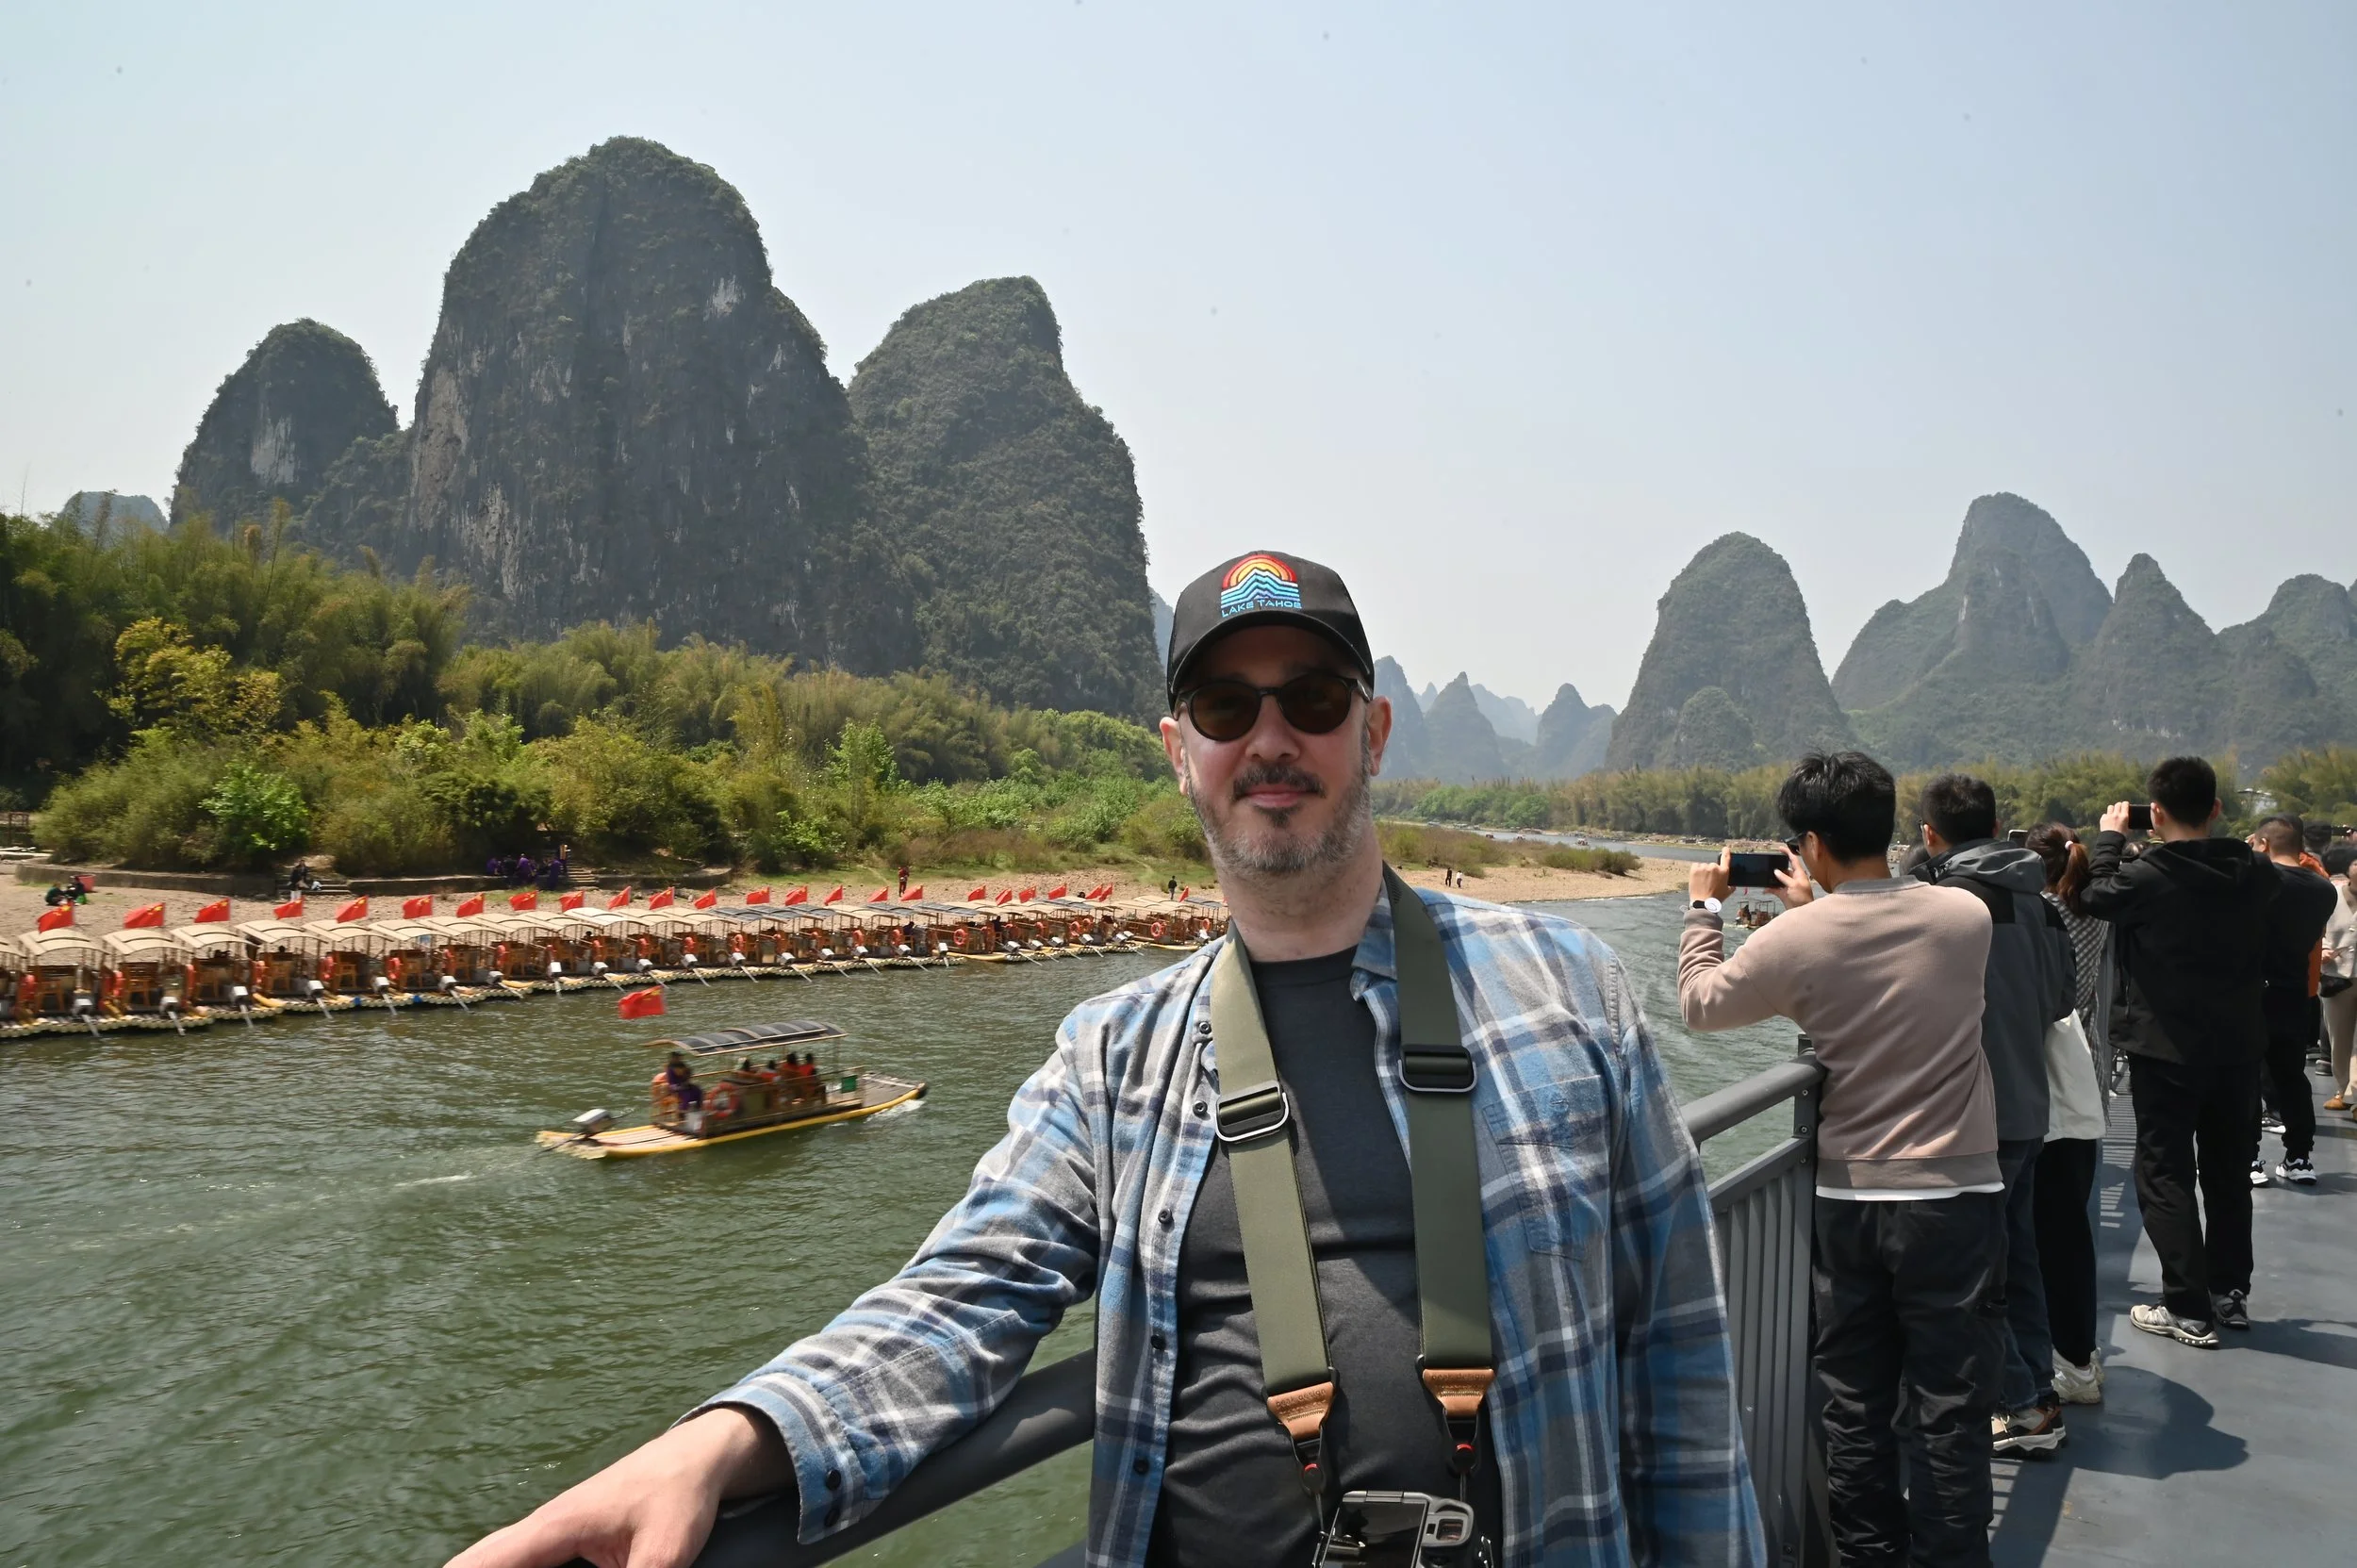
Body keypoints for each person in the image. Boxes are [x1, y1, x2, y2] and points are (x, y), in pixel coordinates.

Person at [445, 548, 1763, 1568]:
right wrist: (724, 1440)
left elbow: (1685, 1365)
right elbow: (964, 1295)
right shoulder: (1113, 1054)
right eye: (1221, 701)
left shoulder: (1568, 990)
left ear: (1372, 731)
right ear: (1178, 748)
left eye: (1311, 697)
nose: (1269, 737)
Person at [1681, 750, 2003, 1568]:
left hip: (1851, 1200)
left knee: (1854, 1403)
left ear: (1811, 843)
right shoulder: (1968, 917)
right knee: (1950, 1404)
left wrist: (1700, 909)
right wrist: (1821, 894)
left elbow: (1701, 1006)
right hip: (1959, 1195)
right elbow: (1889, 941)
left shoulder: (1796, 939)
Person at [2082, 757, 2281, 1345]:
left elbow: (2094, 895)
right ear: (2217, 809)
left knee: (2164, 1171)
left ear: (2156, 814)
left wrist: (2110, 838)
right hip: (2239, 1047)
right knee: (2226, 1173)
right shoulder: (2258, 874)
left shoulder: (2147, 878)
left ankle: (2186, 1306)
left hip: (2164, 1049)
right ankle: (2229, 1291)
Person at [1914, 775, 2075, 1455]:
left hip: (1971, 1114)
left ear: (1930, 835)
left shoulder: (1948, 905)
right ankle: (2037, 1386)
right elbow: (2064, 998)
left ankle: (2022, 1403)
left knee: (1976, 1269)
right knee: (2021, 1258)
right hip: (2028, 1107)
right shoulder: (2040, 903)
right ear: (1998, 822)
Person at [2024, 825, 2112, 1407]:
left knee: (2028, 1231)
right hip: (2084, 1075)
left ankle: (2034, 1369)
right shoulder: (2095, 912)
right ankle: (2077, 1357)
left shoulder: (2037, 915)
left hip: (2037, 1083)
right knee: (2070, 1229)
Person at [2248, 816, 2335, 1185]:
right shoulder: (2323, 890)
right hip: (2295, 993)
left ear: (2264, 845)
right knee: (2291, 1077)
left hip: (2249, 992)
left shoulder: (2255, 882)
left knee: (2246, 1076)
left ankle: (2248, 1159)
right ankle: (2299, 1157)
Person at [2321, 844, 2357, 1114]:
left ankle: (2354, 1094)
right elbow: (2314, 927)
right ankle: (2342, 1089)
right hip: (2336, 978)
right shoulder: (2329, 896)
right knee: (2339, 1039)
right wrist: (2322, 948)